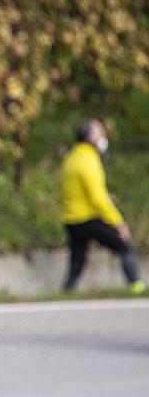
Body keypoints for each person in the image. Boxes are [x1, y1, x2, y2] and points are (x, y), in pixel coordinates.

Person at [59, 119, 145, 293]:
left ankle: (66, 293)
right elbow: (97, 199)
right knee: (125, 246)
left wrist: (105, 197)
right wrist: (118, 222)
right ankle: (137, 287)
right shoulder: (89, 160)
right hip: (88, 218)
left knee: (77, 261)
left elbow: (77, 191)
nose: (104, 137)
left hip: (71, 220)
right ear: (90, 137)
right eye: (100, 133)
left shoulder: (71, 158)